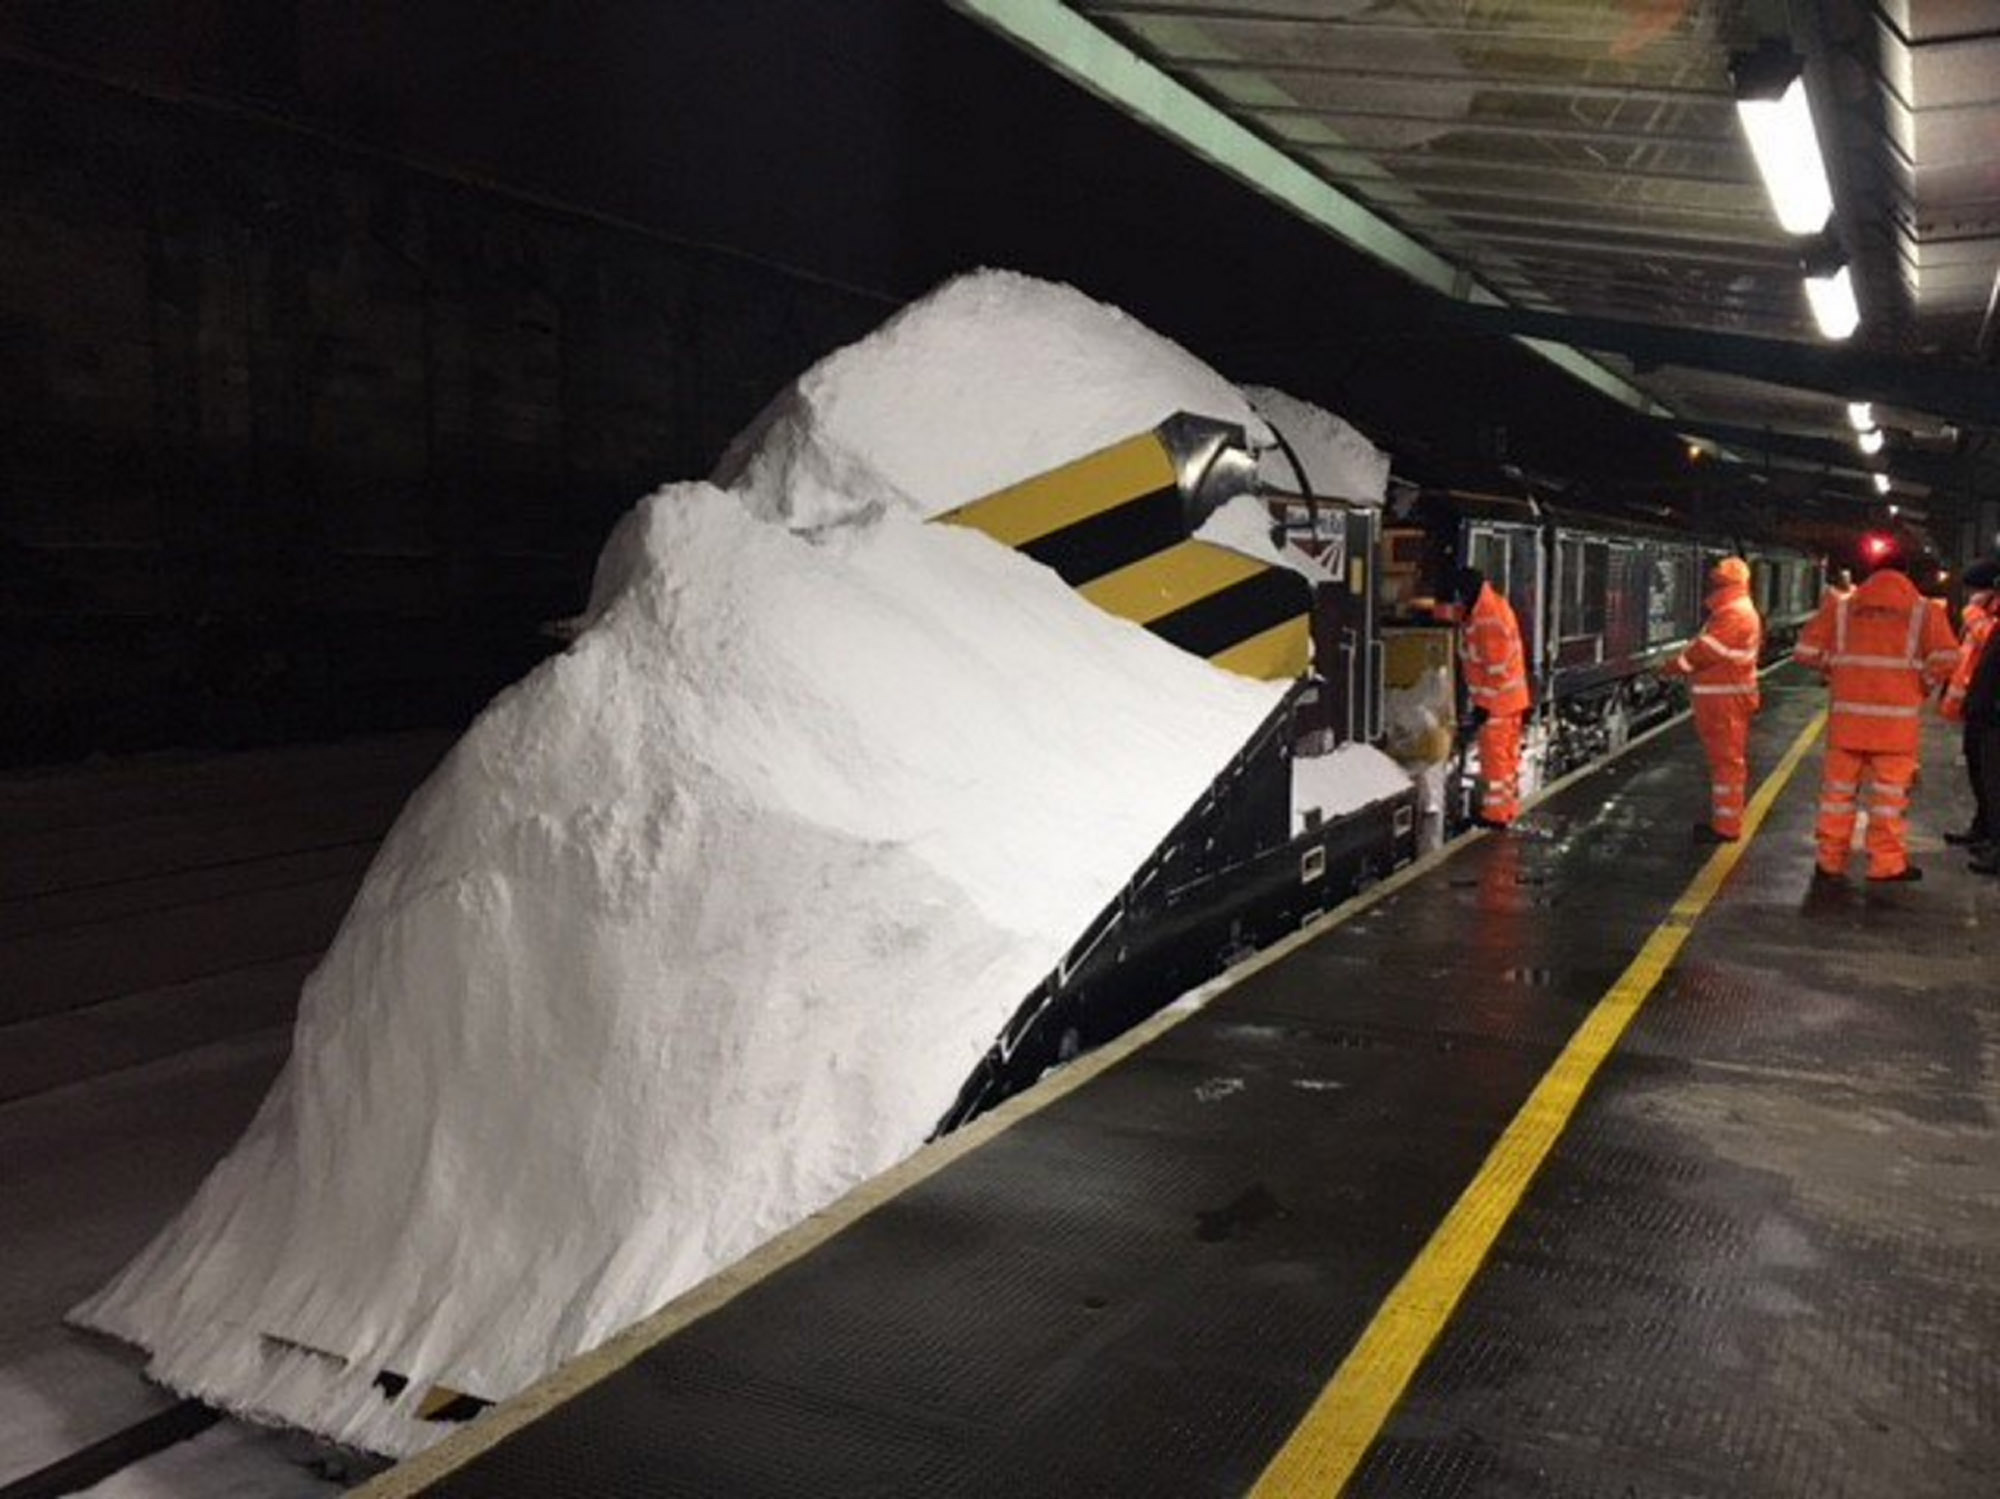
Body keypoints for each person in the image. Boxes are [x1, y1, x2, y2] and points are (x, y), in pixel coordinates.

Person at [1793, 546, 1958, 882]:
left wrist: (1837, 669)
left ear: (1869, 572)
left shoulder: (1841, 609)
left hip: (1847, 723)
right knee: (1889, 799)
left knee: (1837, 795)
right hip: (1896, 727)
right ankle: (1887, 864)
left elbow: (1805, 652)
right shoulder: (1924, 611)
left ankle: (1829, 861)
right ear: (1906, 573)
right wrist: (1921, 683)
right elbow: (1948, 658)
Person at [1663, 556, 1762, 842]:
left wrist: (1672, 666)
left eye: (1716, 581)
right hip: (1724, 699)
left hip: (1724, 701)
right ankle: (1725, 823)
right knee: (1725, 763)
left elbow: (1706, 651)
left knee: (1727, 764)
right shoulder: (1735, 610)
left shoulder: (1734, 613)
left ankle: (1727, 827)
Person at [1453, 565, 1531, 829]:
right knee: (1507, 759)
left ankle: (1496, 816)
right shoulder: (1488, 607)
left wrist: (1482, 709)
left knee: (1495, 760)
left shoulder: (1487, 617)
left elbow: (1496, 669)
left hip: (1498, 703)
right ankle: (1507, 809)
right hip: (1509, 700)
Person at [1939, 558, 1999, 849]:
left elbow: (1990, 640)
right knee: (1980, 773)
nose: (1971, 596)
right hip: (1977, 707)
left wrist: (1974, 614)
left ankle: (1992, 838)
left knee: (1992, 777)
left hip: (1991, 710)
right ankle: (1983, 828)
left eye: (1976, 590)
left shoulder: (1985, 615)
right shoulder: (1983, 611)